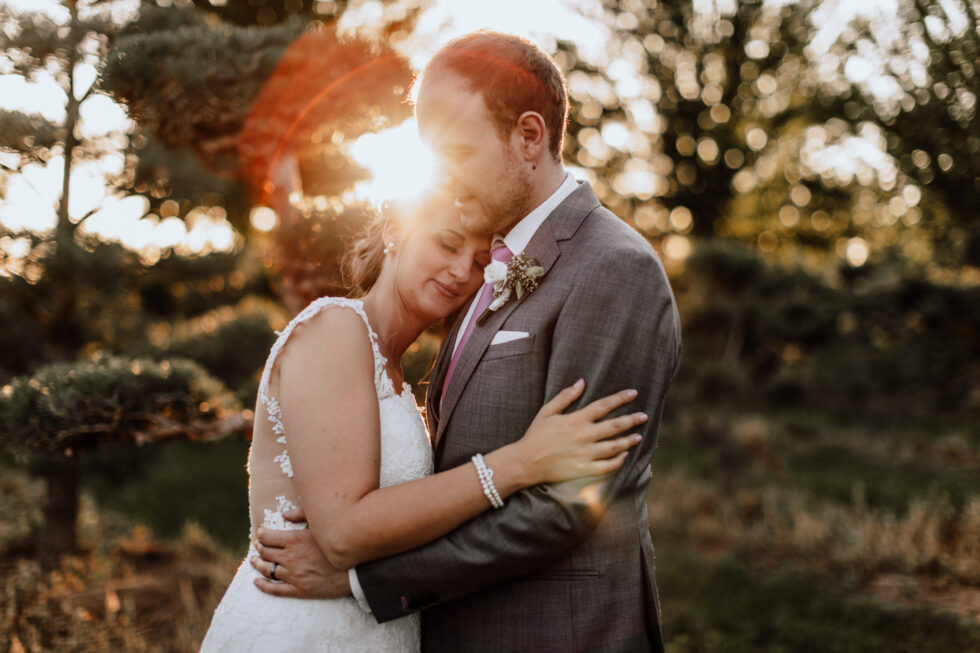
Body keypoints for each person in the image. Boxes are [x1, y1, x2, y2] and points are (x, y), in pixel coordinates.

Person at [253, 31, 682, 652]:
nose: (444, 175)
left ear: (529, 137)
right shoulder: (491, 262)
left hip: (556, 634)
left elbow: (568, 504)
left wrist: (362, 579)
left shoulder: (613, 268)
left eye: (456, 149)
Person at [199, 190, 647, 652]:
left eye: (480, 262)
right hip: (298, 630)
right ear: (396, 229)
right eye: (446, 244)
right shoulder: (335, 328)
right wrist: (520, 463)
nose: (460, 273)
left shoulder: (401, 370)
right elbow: (343, 531)